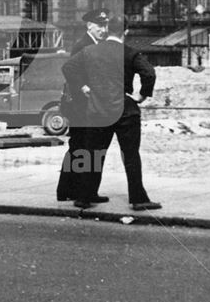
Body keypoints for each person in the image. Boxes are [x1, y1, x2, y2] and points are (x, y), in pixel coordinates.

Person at [62, 14, 161, 211]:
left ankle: (85, 196)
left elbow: (68, 67)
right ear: (126, 31)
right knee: (130, 154)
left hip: (98, 110)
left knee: (93, 153)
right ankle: (138, 199)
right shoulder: (130, 53)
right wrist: (141, 96)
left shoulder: (90, 51)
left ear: (107, 29)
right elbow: (149, 73)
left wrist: (83, 87)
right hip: (125, 109)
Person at [56, 9, 109, 202]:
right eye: (100, 25)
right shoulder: (83, 45)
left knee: (80, 147)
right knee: (81, 147)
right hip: (80, 106)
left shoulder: (96, 44)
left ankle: (71, 191)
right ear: (89, 26)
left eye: (105, 25)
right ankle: (77, 191)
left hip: (87, 106)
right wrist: (84, 87)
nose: (104, 29)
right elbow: (70, 70)